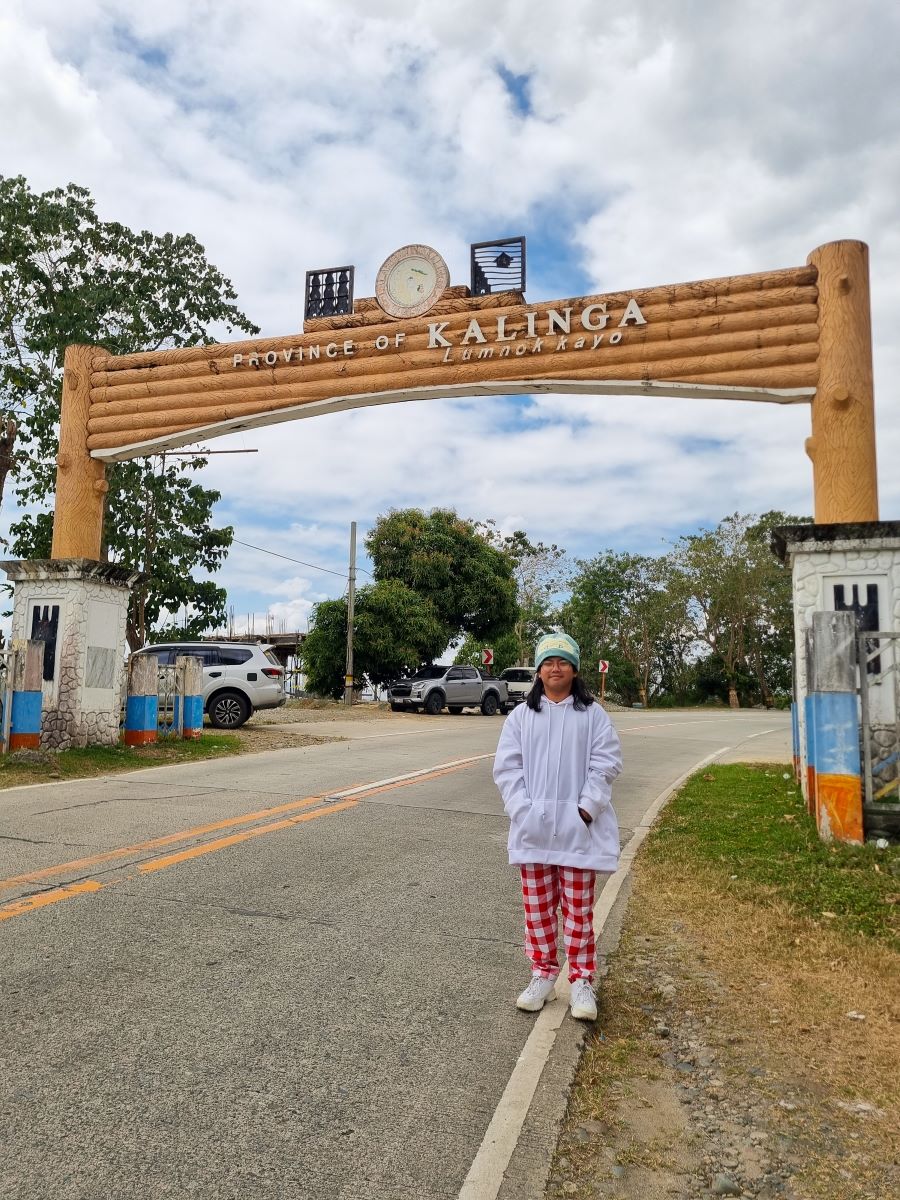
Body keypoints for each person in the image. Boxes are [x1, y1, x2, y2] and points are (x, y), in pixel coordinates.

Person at [493, 633, 622, 1021]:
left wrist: (585, 811)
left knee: (578, 912)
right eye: (548, 662)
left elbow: (606, 764)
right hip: (533, 831)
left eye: (562, 662)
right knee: (537, 910)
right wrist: (523, 812)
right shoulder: (521, 717)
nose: (555, 668)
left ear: (575, 669)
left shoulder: (593, 715)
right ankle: (544, 975)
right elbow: (507, 769)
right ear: (538, 670)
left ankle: (581, 980)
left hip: (578, 832)